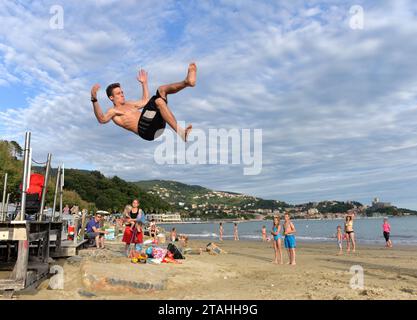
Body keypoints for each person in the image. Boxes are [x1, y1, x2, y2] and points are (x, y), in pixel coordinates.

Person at [91, 63, 196, 142]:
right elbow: (102, 119)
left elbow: (146, 101)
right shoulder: (113, 111)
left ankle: (187, 82)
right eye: (118, 93)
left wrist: (144, 83)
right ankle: (181, 133)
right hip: (145, 131)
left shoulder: (130, 104)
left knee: (161, 91)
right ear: (111, 98)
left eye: (122, 92)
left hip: (155, 125)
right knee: (158, 101)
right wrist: (94, 99)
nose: (122, 94)